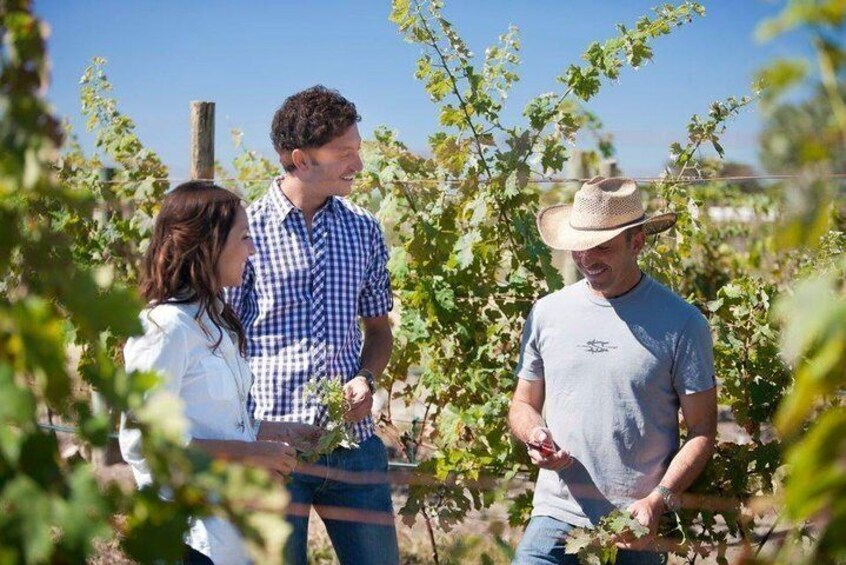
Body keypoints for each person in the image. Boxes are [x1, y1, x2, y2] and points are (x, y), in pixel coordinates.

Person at [225, 86, 398, 565]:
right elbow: (222, 343)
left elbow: (380, 330)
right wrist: (249, 431)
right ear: (300, 159)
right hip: (272, 452)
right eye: (344, 154)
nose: (357, 165)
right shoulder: (246, 233)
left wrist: (366, 378)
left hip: (353, 446)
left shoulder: (364, 229)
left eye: (357, 152)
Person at [509, 176, 718, 564]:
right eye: (579, 248)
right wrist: (533, 432)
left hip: (636, 522)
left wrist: (660, 500)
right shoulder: (547, 313)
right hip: (557, 512)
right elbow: (523, 402)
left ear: (636, 242)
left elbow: (702, 431)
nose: (587, 259)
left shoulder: (682, 324)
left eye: (601, 247)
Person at [120, 181, 318, 565]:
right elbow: (145, 445)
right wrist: (251, 454)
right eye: (244, 238)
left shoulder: (214, 323)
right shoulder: (165, 328)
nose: (253, 249)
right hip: (189, 540)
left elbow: (207, 421)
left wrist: (268, 431)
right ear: (208, 244)